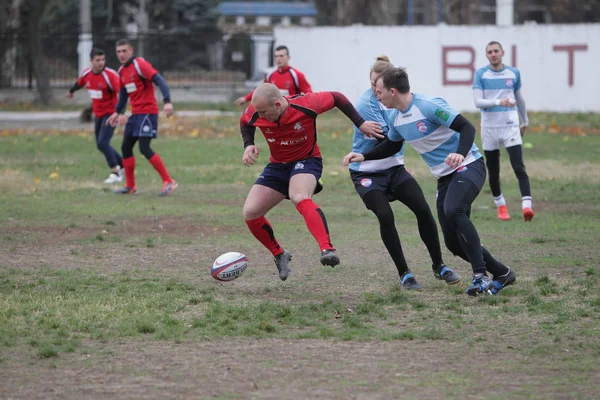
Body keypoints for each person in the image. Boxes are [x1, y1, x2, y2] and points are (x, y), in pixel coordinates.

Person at [343, 68, 516, 296]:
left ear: (392, 91)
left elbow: (467, 127)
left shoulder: (428, 106)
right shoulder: (396, 118)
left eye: (380, 91)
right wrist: (363, 156)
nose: (377, 96)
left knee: (453, 210)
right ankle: (502, 273)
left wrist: (460, 154)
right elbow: (392, 145)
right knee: (452, 243)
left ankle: (480, 276)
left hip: (469, 165)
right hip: (445, 177)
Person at [240, 83, 382, 281]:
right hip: (278, 165)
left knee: (299, 196)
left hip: (307, 160)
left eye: (264, 112)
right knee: (250, 212)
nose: (260, 116)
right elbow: (245, 122)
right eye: (258, 112)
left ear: (278, 104)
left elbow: (337, 97)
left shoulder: (306, 103)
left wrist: (360, 123)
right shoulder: (257, 111)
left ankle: (327, 249)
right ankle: (280, 254)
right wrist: (249, 145)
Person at [348, 56, 461, 290]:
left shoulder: (397, 99)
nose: (374, 91)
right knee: (386, 216)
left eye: (377, 86)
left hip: (394, 168)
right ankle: (405, 274)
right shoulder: (366, 104)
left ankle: (439, 266)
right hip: (366, 171)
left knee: (422, 208)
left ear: (390, 86)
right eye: (371, 86)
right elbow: (390, 139)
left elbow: (400, 134)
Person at [106, 39, 177, 196]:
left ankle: (169, 181)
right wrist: (117, 112)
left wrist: (167, 101)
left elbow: (159, 80)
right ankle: (130, 186)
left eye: (124, 51)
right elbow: (124, 94)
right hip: (135, 114)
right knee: (125, 147)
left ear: (131, 50)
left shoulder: (139, 64)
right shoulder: (122, 71)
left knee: (144, 148)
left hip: (147, 113)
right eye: (118, 52)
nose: (121, 54)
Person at [473, 41, 533, 221]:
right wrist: (500, 102)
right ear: (487, 55)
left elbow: (520, 98)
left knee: (518, 166)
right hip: (490, 127)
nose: (493, 54)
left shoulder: (513, 73)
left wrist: (525, 120)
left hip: (510, 125)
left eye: (496, 51)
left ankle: (527, 207)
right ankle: (501, 206)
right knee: (493, 170)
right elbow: (478, 102)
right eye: (490, 52)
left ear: (502, 52)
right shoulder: (481, 74)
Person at [67, 47, 123, 184]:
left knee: (103, 143)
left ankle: (115, 173)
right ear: (91, 61)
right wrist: (71, 91)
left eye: (103, 59)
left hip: (111, 114)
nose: (101, 63)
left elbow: (122, 93)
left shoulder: (110, 75)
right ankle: (124, 164)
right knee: (100, 145)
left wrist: (120, 113)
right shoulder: (87, 74)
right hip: (98, 114)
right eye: (98, 60)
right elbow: (80, 82)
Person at [235, 45, 312, 106]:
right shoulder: (270, 75)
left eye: (281, 56)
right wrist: (245, 98)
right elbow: (260, 90)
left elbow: (309, 94)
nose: (278, 59)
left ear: (288, 58)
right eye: (276, 56)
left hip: (291, 113)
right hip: (275, 113)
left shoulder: (297, 75)